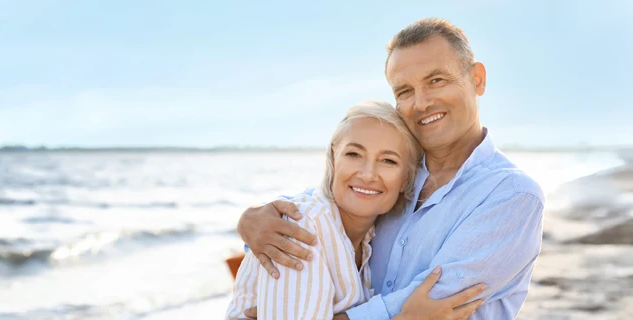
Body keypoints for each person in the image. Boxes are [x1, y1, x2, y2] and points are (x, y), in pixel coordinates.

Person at [236, 18, 545, 320]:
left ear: (477, 79)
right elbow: (325, 210)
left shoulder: (512, 194)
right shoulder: (392, 178)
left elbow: (437, 298)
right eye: (404, 91)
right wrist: (256, 220)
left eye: (436, 80)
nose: (421, 102)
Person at [226, 101, 484, 320]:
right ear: (333, 160)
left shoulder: (370, 239)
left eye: (388, 160)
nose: (368, 174)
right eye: (354, 154)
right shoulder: (305, 227)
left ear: (406, 179)